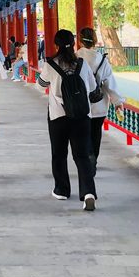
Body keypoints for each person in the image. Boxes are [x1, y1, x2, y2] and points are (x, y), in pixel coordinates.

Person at [36, 29, 98, 211]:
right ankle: (88, 192)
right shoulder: (82, 63)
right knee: (82, 156)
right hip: (81, 116)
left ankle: (62, 189)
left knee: (59, 154)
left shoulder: (51, 65)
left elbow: (40, 86)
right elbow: (92, 87)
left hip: (58, 117)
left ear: (56, 45)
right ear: (73, 44)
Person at [76, 28, 125, 175]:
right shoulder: (102, 60)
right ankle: (93, 160)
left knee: (82, 135)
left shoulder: (75, 58)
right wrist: (117, 101)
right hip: (99, 105)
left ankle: (86, 161)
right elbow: (109, 82)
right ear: (96, 40)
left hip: (80, 104)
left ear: (79, 41)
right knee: (95, 135)